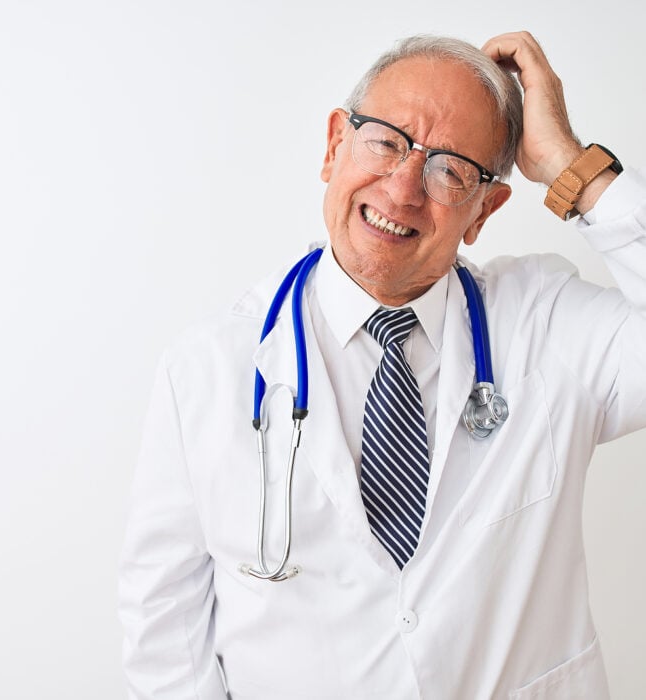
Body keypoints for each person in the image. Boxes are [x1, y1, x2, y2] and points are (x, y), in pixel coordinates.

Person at [119, 31, 646, 699]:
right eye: (386, 141)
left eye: (450, 169)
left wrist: (571, 165)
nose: (402, 190)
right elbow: (165, 628)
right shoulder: (207, 369)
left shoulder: (549, 328)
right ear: (335, 143)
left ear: (484, 210)